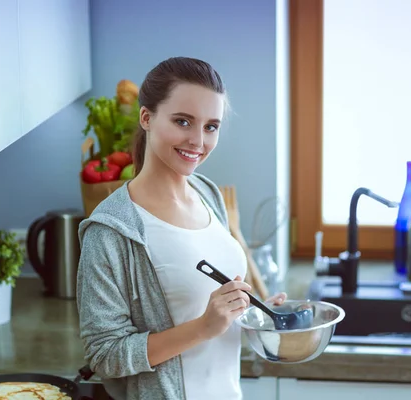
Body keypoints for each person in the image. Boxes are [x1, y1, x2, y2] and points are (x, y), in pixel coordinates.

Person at [76, 56, 287, 400]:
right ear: (146, 117)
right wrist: (203, 327)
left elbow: (206, 305)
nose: (198, 141)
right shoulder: (110, 231)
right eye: (183, 121)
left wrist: (254, 312)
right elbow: (105, 356)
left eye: (211, 126)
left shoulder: (207, 193)